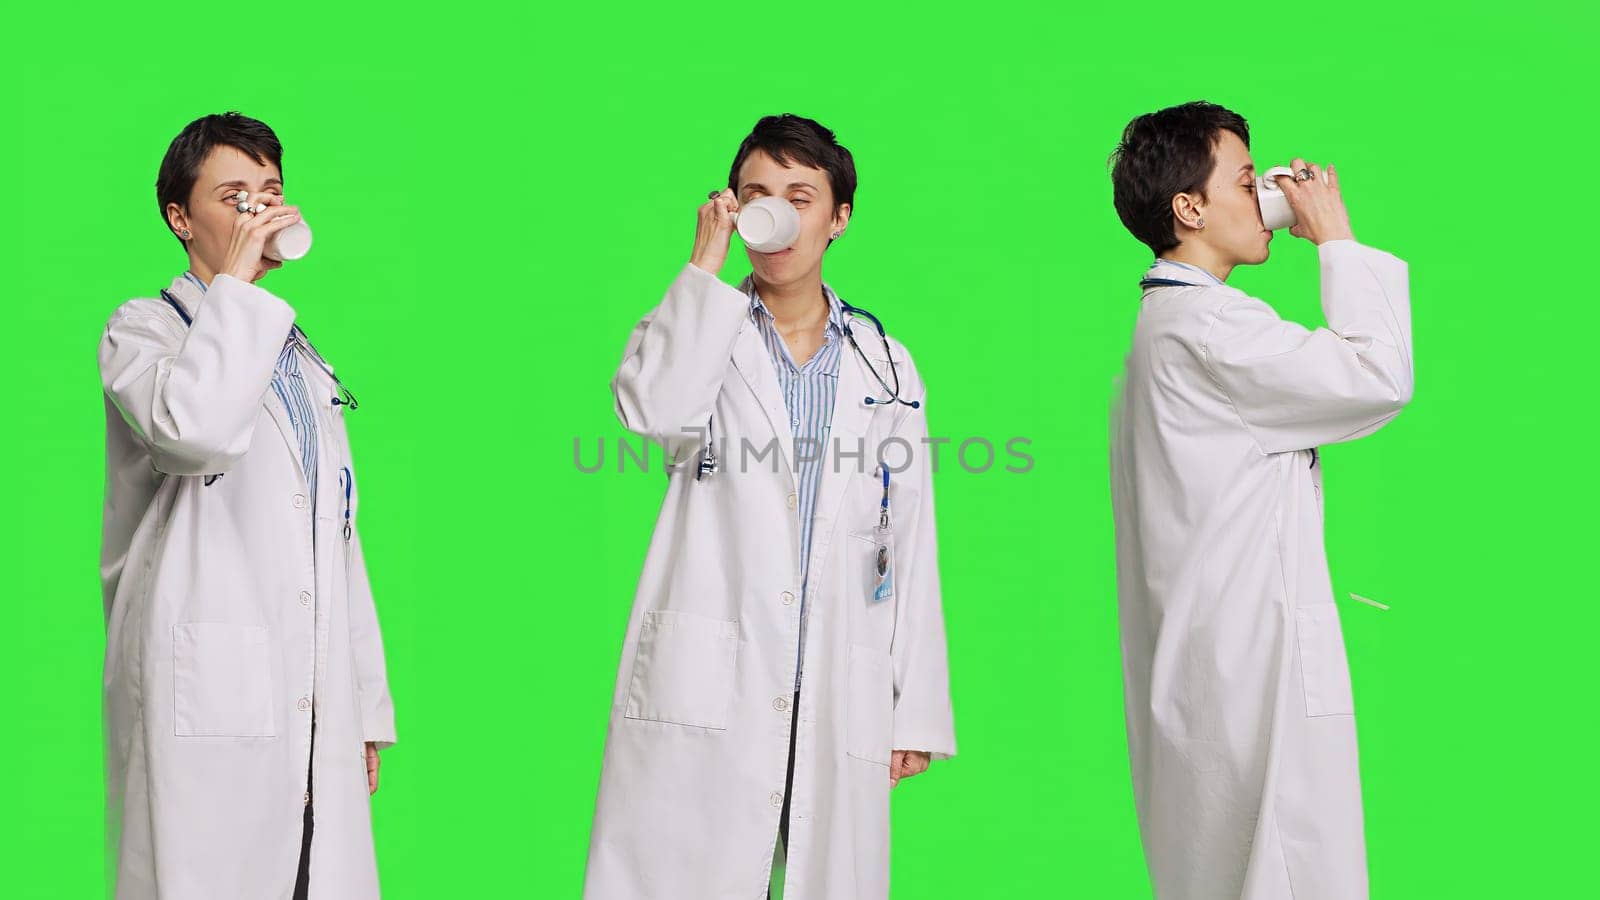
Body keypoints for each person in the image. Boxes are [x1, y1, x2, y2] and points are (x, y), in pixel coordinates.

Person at [584, 114, 956, 900]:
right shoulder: (692, 327)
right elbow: (655, 413)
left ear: (838, 218)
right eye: (757, 194)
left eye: (799, 194)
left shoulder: (885, 361)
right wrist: (703, 269)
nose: (777, 212)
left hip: (836, 677)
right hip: (709, 667)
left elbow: (910, 536)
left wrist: (916, 708)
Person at [1107, 101, 1413, 900]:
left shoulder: (1166, 327)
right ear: (1190, 209)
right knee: (1285, 869)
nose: (1265, 193)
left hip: (1214, 663)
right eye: (1246, 180)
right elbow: (1379, 378)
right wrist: (1336, 238)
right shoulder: (1211, 330)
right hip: (1252, 667)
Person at [98, 112, 396, 900]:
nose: (262, 212)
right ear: (180, 218)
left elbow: (336, 535)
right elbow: (192, 434)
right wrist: (234, 288)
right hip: (204, 682)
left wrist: (363, 704)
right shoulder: (144, 331)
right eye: (236, 197)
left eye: (271, 192)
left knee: (308, 877)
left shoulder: (298, 354)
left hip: (310, 691)